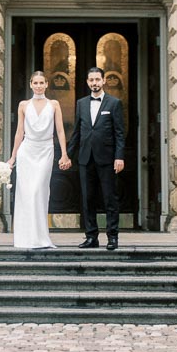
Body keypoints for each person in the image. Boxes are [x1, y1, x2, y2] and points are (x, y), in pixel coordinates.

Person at [8, 70, 70, 250]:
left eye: (41, 83)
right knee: (26, 194)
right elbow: (19, 132)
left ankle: (41, 237)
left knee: (39, 192)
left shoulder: (54, 104)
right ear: (30, 85)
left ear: (46, 84)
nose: (38, 86)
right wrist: (13, 157)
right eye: (35, 83)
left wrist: (64, 154)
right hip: (27, 151)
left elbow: (60, 131)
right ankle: (26, 238)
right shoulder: (23, 105)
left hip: (45, 150)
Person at [66, 65, 126, 251]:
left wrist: (119, 157)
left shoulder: (114, 103)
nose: (94, 83)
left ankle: (112, 237)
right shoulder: (81, 103)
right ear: (87, 82)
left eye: (97, 80)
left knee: (110, 199)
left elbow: (119, 133)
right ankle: (91, 237)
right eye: (91, 80)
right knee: (88, 199)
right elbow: (76, 132)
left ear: (103, 81)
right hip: (85, 158)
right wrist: (67, 154)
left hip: (107, 159)